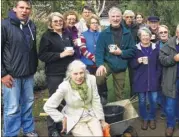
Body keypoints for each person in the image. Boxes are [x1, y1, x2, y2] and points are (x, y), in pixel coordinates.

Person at [1, 0, 38, 136]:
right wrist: (2, 74)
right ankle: (11, 133)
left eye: (27, 8)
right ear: (14, 9)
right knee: (12, 108)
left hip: (28, 73)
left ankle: (28, 129)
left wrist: (34, 67)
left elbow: (32, 49)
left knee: (28, 103)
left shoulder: (31, 25)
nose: (24, 10)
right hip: (11, 75)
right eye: (21, 7)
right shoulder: (4, 25)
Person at [43, 60, 109, 136]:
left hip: (91, 115)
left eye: (81, 73)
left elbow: (96, 101)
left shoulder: (91, 79)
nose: (79, 76)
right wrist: (62, 118)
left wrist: (101, 120)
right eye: (75, 74)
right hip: (75, 118)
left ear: (85, 72)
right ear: (70, 74)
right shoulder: (65, 86)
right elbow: (48, 106)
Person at [39, 12, 75, 137]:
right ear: (50, 23)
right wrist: (60, 55)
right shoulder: (46, 36)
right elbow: (42, 55)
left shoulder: (66, 34)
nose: (59, 23)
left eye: (60, 20)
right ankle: (52, 128)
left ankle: (62, 125)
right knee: (54, 100)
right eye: (55, 21)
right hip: (54, 73)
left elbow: (71, 50)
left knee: (66, 100)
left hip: (68, 73)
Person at [96, 7, 136, 101]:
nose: (115, 18)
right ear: (109, 18)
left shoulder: (127, 33)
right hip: (108, 63)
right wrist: (100, 65)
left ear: (121, 18)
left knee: (120, 93)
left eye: (117, 16)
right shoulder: (104, 34)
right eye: (113, 16)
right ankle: (102, 95)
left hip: (121, 65)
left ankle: (120, 110)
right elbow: (99, 51)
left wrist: (121, 52)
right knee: (99, 77)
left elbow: (133, 50)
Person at [131, 27, 161, 130]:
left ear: (150, 36)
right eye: (143, 35)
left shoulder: (155, 47)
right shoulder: (135, 49)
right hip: (140, 79)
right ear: (139, 37)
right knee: (142, 101)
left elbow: (159, 64)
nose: (145, 37)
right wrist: (137, 61)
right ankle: (144, 118)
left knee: (153, 100)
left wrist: (157, 76)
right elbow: (132, 65)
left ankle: (151, 118)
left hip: (153, 79)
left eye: (147, 35)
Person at [79, 14, 108, 105]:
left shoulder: (101, 34)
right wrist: (93, 57)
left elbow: (105, 48)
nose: (95, 25)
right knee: (89, 83)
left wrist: (99, 58)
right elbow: (82, 49)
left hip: (99, 63)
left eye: (96, 23)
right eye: (92, 23)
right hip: (88, 63)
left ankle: (103, 100)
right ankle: (90, 102)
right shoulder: (83, 35)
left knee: (101, 82)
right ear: (88, 24)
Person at [156, 25, 170, 119]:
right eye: (161, 32)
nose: (163, 34)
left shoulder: (174, 43)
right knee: (160, 91)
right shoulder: (156, 45)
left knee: (170, 91)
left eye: (165, 32)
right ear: (158, 34)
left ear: (168, 33)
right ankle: (164, 109)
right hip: (159, 71)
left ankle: (170, 110)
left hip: (170, 71)